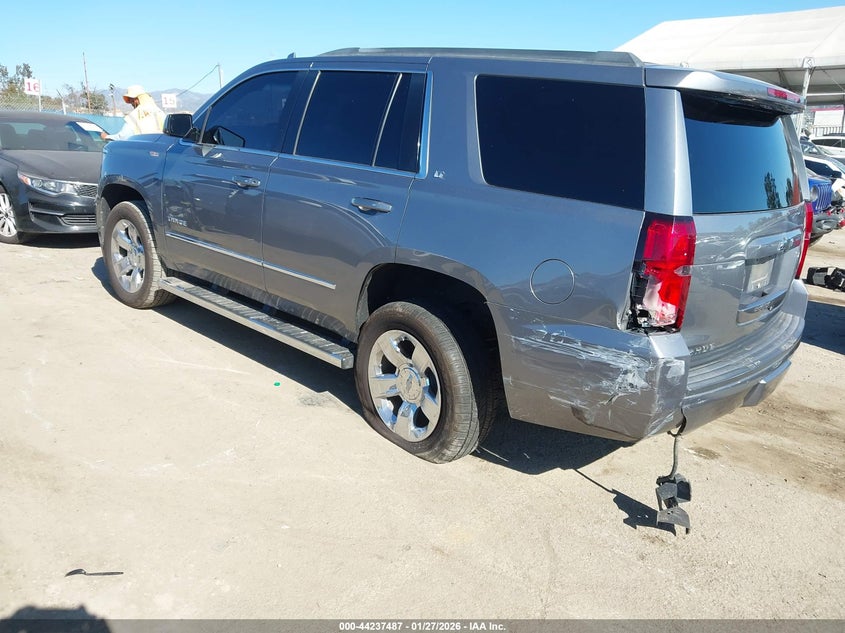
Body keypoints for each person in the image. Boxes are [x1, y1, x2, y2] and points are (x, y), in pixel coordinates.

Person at [101, 85, 166, 140]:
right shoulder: (160, 112)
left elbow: (123, 137)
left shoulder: (135, 115)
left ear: (136, 100)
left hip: (144, 150)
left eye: (131, 101)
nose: (131, 104)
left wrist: (106, 137)